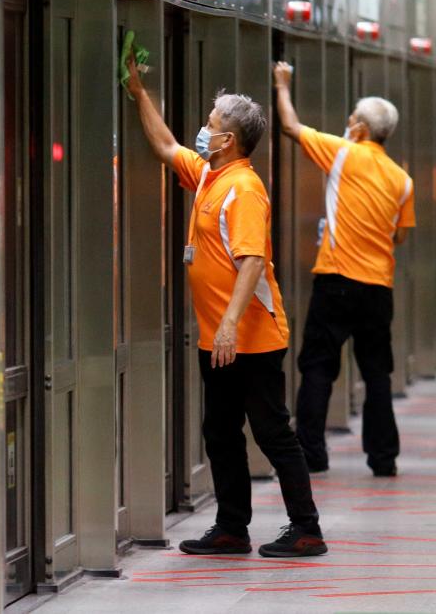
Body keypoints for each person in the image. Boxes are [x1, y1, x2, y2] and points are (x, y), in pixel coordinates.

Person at [123, 55, 326, 558]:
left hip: (250, 338)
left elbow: (253, 261)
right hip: (218, 338)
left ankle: (307, 529)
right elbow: (167, 145)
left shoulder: (245, 189)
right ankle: (233, 527)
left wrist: (232, 324)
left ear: (228, 139)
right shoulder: (211, 176)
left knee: (272, 433)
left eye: (210, 124)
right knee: (220, 432)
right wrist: (137, 91)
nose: (202, 130)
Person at [272, 62, 415, 477]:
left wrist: (283, 85)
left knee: (318, 367)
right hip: (377, 287)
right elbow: (400, 237)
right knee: (377, 372)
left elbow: (291, 126)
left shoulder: (341, 152)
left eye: (352, 118)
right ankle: (383, 458)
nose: (347, 122)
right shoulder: (402, 179)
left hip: (335, 280)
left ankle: (312, 454)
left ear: (361, 128)